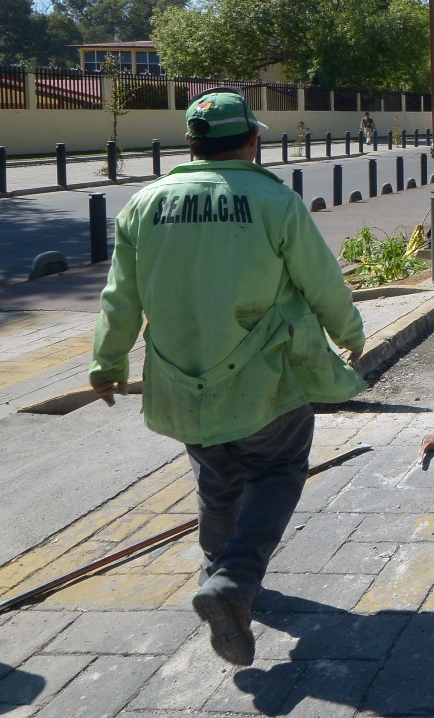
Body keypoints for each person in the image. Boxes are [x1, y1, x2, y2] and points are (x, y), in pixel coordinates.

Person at [88, 87, 366, 667]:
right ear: (251, 141)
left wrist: (108, 363)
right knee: (278, 466)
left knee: (216, 477)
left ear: (191, 143)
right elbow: (322, 282)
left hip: (180, 377)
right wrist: (350, 335)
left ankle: (218, 577)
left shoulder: (145, 203)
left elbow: (121, 297)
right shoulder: (273, 202)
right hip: (264, 379)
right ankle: (234, 581)